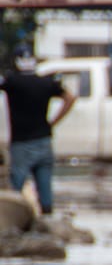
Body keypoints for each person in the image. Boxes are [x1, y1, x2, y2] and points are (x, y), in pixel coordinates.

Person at [1, 44, 77, 215]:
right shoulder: (46, 82)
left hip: (21, 143)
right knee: (45, 187)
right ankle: (47, 220)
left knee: (16, 189)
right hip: (44, 140)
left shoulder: (11, 81)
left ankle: (14, 221)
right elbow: (70, 97)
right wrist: (53, 122)